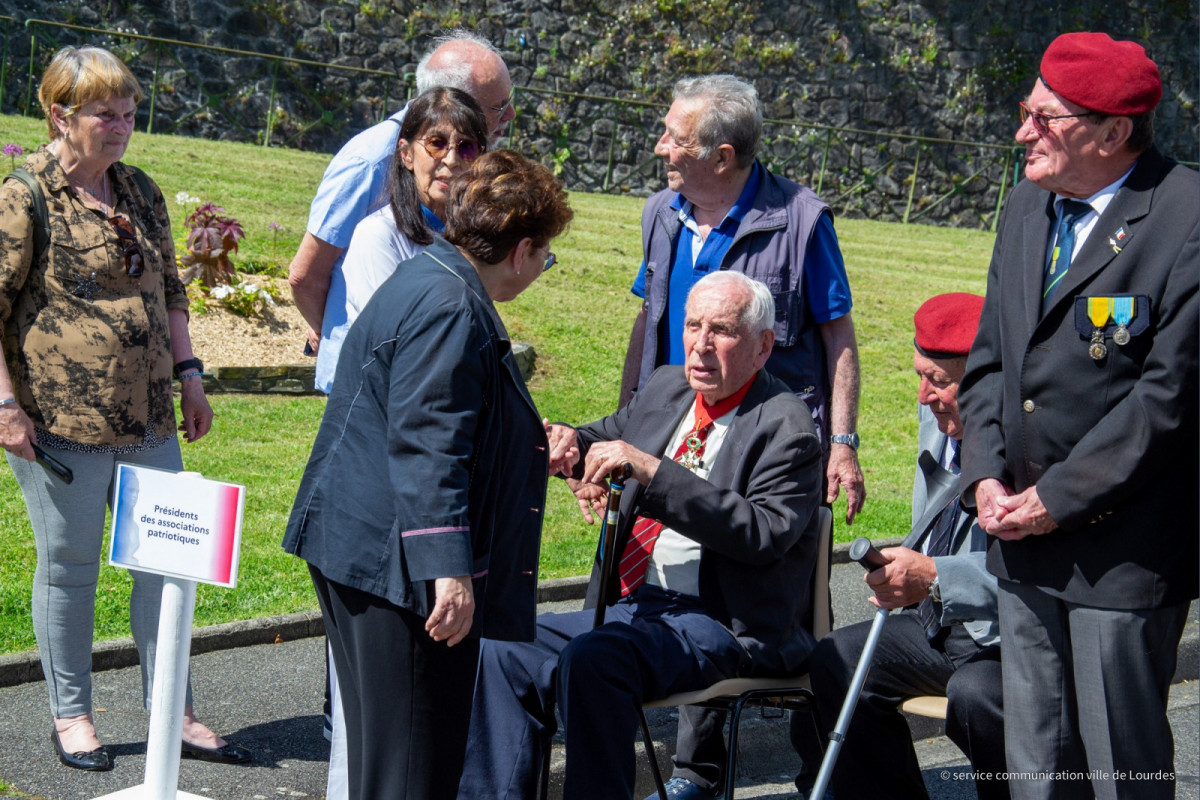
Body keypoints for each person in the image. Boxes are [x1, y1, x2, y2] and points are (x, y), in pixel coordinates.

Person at [457, 270, 825, 800]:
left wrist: (652, 472)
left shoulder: (785, 426)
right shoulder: (668, 387)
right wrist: (565, 442)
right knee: (503, 645)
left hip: (722, 621)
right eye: (693, 324)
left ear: (763, 345)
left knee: (594, 660)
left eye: (721, 330)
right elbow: (605, 438)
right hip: (639, 607)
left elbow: (762, 534)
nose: (700, 344)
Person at [283, 149, 574, 800]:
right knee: (413, 773)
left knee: (387, 765)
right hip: (400, 571)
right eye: (545, 257)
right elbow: (428, 440)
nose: (539, 271)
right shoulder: (451, 305)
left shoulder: (430, 276)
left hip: (364, 547)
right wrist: (449, 570)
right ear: (522, 249)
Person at [958, 32, 1197, 800]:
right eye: (1026, 111)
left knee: (1122, 773)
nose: (1023, 132)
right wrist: (985, 479)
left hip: (1121, 556)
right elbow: (993, 358)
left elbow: (1169, 398)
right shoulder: (1031, 204)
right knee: (1037, 774)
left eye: (1044, 117)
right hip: (1021, 543)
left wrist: (1056, 500)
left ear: (1111, 132)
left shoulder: (1185, 217)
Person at [0, 46, 249, 771]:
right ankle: (71, 715)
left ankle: (174, 710)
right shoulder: (26, 195)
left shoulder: (139, 189)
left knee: (167, 566)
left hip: (148, 418)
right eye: (104, 114)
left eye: (130, 113)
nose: (121, 127)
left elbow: (171, 289)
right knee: (72, 566)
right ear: (60, 114)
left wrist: (192, 376)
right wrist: (6, 405)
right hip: (58, 426)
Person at [620, 74, 863, 799]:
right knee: (689, 584)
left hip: (769, 445)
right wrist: (629, 427)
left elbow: (837, 333)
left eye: (674, 136)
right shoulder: (662, 213)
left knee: (784, 612)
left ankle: (822, 767)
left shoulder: (800, 219)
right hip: (682, 423)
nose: (659, 146)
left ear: (721, 156)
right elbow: (648, 318)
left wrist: (842, 440)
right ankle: (699, 773)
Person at [317, 83, 488, 800]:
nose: (450, 160)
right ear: (406, 150)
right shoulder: (384, 240)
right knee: (389, 748)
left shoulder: (454, 242)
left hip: (403, 511)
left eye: (467, 146)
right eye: (437, 143)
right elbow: (420, 406)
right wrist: (447, 560)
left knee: (394, 749)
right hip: (385, 519)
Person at [791, 292, 1007, 800]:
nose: (923, 396)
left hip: (1010, 636)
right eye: (919, 376)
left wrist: (934, 576)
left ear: (986, 383)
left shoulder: (1028, 439)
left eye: (939, 381)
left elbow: (1041, 574)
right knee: (837, 661)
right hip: (942, 625)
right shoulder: (939, 415)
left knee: (977, 695)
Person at [288, 29, 515, 390]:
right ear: (455, 102)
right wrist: (334, 333)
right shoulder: (370, 163)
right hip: (370, 381)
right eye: (498, 107)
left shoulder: (457, 164)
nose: (511, 115)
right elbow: (305, 274)